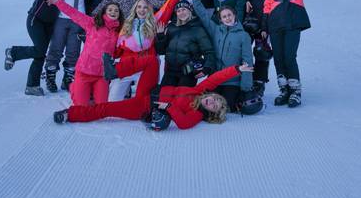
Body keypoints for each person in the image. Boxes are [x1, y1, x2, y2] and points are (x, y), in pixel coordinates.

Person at [53, 64, 255, 129]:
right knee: (150, 60)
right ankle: (115, 70)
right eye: (215, 99)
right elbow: (217, 78)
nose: (212, 101)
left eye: (214, 106)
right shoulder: (199, 91)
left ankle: (70, 114)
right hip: (151, 90)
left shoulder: (196, 114)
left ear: (211, 113)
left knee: (106, 109)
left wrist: (168, 108)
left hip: (144, 105)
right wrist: (238, 69)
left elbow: (183, 124)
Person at [262, 0, 333, 108]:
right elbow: (266, 8)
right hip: (275, 27)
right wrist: (264, 28)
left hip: (292, 26)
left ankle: (295, 91)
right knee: (278, 58)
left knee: (289, 56)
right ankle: (284, 89)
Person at [103, 0, 189, 99]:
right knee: (112, 101)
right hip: (127, 65)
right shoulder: (126, 24)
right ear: (135, 9)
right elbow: (116, 49)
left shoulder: (155, 21)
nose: (142, 10)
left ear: (149, 9)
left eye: (145, 7)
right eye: (139, 7)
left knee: (142, 101)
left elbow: (168, 6)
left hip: (146, 67)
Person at [4, 0, 63, 96]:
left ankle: (32, 86)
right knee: (39, 49)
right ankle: (13, 52)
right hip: (35, 20)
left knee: (41, 53)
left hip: (51, 23)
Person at [46, 0, 122, 106]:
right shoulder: (93, 24)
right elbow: (74, 14)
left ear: (119, 15)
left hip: (102, 75)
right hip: (84, 72)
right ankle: (74, 87)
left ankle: (90, 90)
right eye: (110, 9)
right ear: (104, 12)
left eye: (116, 11)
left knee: (101, 105)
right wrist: (58, 2)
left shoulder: (119, 31)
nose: (113, 12)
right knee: (81, 105)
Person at [192, 0, 256, 112]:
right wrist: (196, 1)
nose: (227, 18)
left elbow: (248, 61)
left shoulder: (243, 35)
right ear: (220, 19)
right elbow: (204, 17)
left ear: (234, 16)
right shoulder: (216, 30)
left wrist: (246, 88)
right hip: (215, 78)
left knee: (225, 107)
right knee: (205, 104)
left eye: (229, 15)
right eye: (224, 16)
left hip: (232, 81)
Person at [44, 0, 88, 92]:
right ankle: (50, 77)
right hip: (61, 19)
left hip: (78, 21)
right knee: (56, 48)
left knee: (73, 50)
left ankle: (67, 79)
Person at [155, 0, 216, 88]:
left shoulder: (198, 29)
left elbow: (209, 51)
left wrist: (207, 68)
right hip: (170, 71)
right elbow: (161, 51)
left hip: (188, 72)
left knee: (182, 100)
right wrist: (160, 37)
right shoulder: (171, 27)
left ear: (190, 10)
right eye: (178, 11)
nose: (181, 13)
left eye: (184, 9)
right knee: (165, 98)